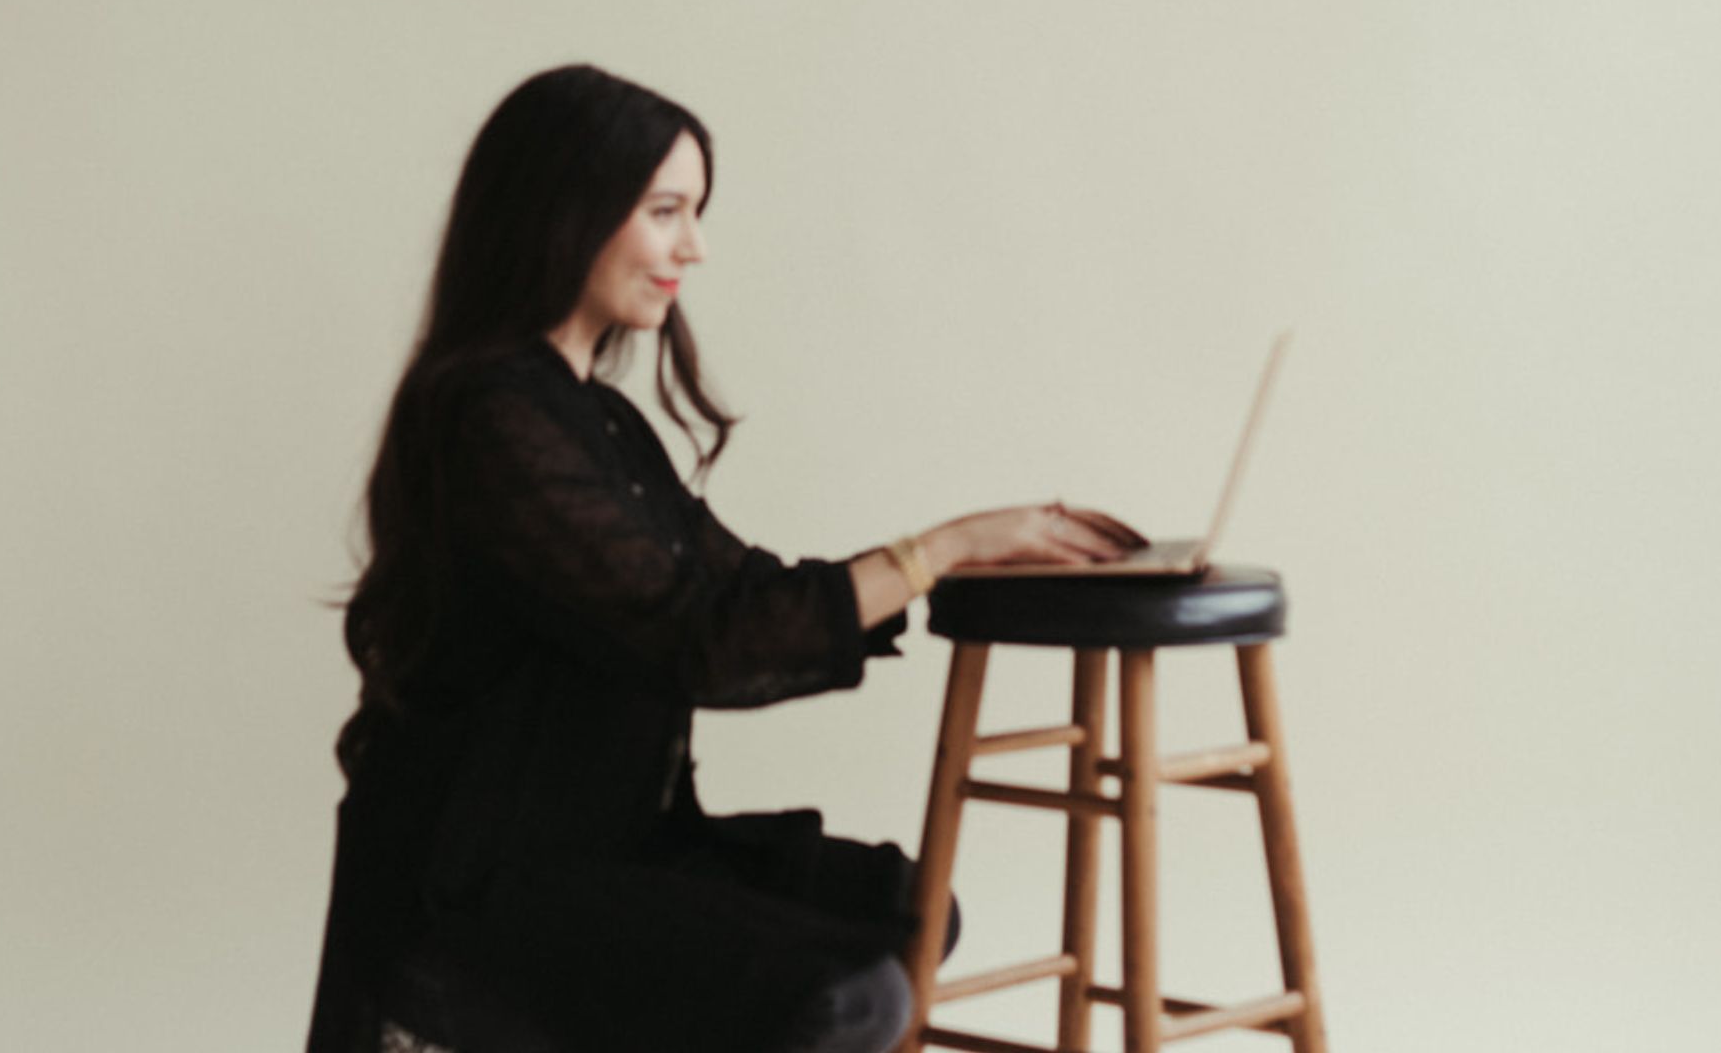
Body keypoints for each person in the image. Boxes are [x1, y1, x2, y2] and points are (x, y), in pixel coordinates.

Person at [305, 63, 1146, 1053]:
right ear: (567, 212)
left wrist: (973, 554)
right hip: (483, 884)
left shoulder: (598, 420)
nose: (693, 248)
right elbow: (697, 642)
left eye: (694, 214)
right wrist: (939, 548)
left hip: (619, 849)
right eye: (665, 212)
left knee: (909, 907)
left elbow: (744, 592)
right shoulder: (491, 418)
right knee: (848, 997)